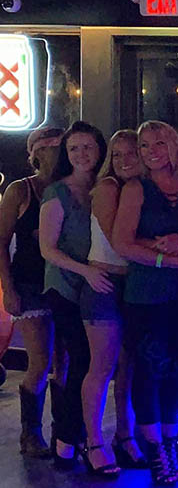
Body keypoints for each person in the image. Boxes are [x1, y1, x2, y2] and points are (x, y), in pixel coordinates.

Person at [113, 120, 178, 484]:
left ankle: (171, 441)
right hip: (146, 295)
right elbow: (122, 243)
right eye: (145, 145)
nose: (152, 151)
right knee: (149, 372)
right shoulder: (137, 189)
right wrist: (161, 253)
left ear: (174, 147)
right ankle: (154, 451)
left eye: (159, 144)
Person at [38, 122, 113, 474]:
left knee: (94, 365)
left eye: (88, 147)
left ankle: (73, 437)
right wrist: (86, 272)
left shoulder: (106, 188)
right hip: (66, 287)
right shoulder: (57, 192)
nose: (82, 154)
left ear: (100, 150)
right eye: (74, 149)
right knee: (81, 362)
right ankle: (68, 438)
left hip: (97, 286)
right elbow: (47, 249)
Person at [83, 129, 147, 471]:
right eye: (117, 154)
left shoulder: (140, 189)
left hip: (131, 283)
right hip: (103, 282)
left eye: (131, 153)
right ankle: (93, 442)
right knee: (102, 367)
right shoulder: (108, 187)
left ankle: (125, 435)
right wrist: (163, 246)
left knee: (129, 367)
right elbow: (119, 239)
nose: (123, 161)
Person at [0, 125, 62, 459]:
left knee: (64, 362)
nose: (55, 152)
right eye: (50, 147)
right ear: (36, 152)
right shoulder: (21, 190)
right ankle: (31, 433)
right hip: (29, 282)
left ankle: (63, 431)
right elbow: (0, 239)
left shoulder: (71, 188)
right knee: (40, 360)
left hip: (65, 283)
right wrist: (7, 287)